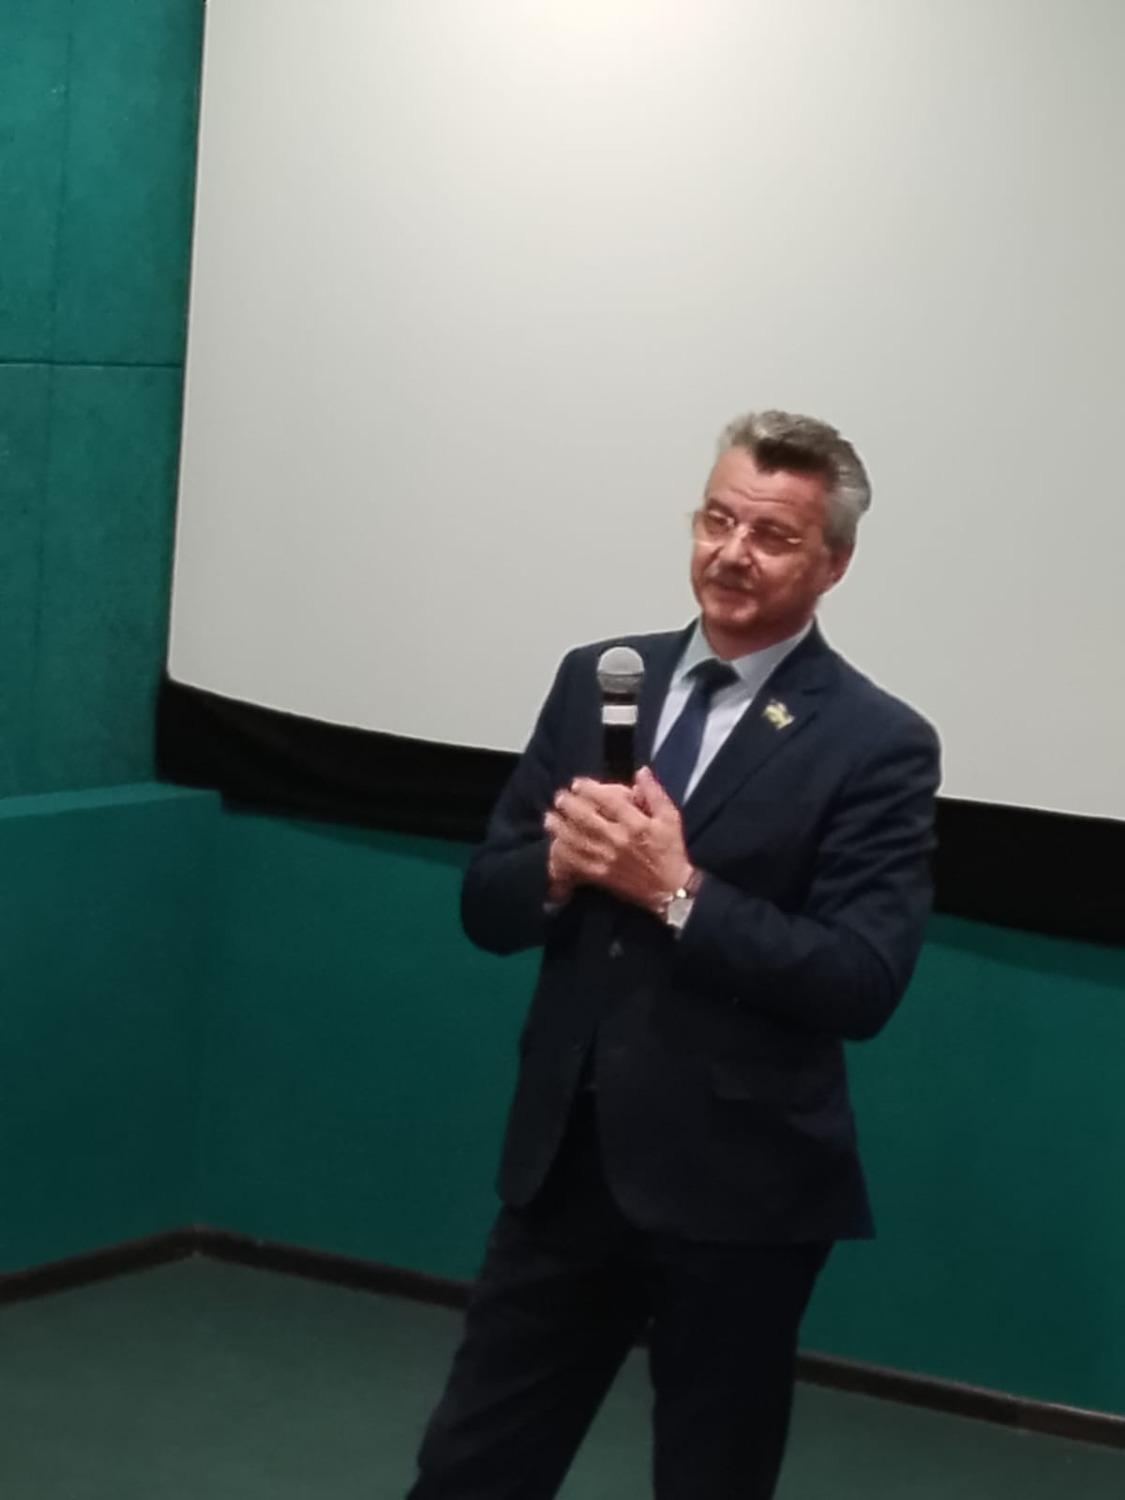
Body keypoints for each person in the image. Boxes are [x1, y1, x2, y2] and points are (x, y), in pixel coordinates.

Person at [405, 410, 941, 1500]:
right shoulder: (598, 678)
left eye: (772, 536)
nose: (732, 553)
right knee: (469, 1470)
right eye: (716, 520)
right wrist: (558, 867)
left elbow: (859, 981)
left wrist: (678, 894)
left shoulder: (876, 742)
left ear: (833, 563)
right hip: (564, 1167)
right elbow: (486, 904)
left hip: (741, 1191)